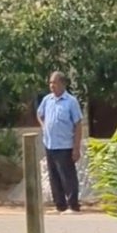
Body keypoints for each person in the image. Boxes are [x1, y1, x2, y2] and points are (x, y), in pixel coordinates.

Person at [36, 70, 85, 213]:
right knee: (54, 177)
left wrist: (76, 148)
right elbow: (39, 114)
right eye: (50, 82)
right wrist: (43, 125)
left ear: (63, 84)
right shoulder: (47, 100)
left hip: (65, 145)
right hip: (50, 144)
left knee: (67, 177)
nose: (52, 86)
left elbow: (78, 124)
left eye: (55, 83)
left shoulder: (71, 101)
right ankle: (60, 205)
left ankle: (73, 205)